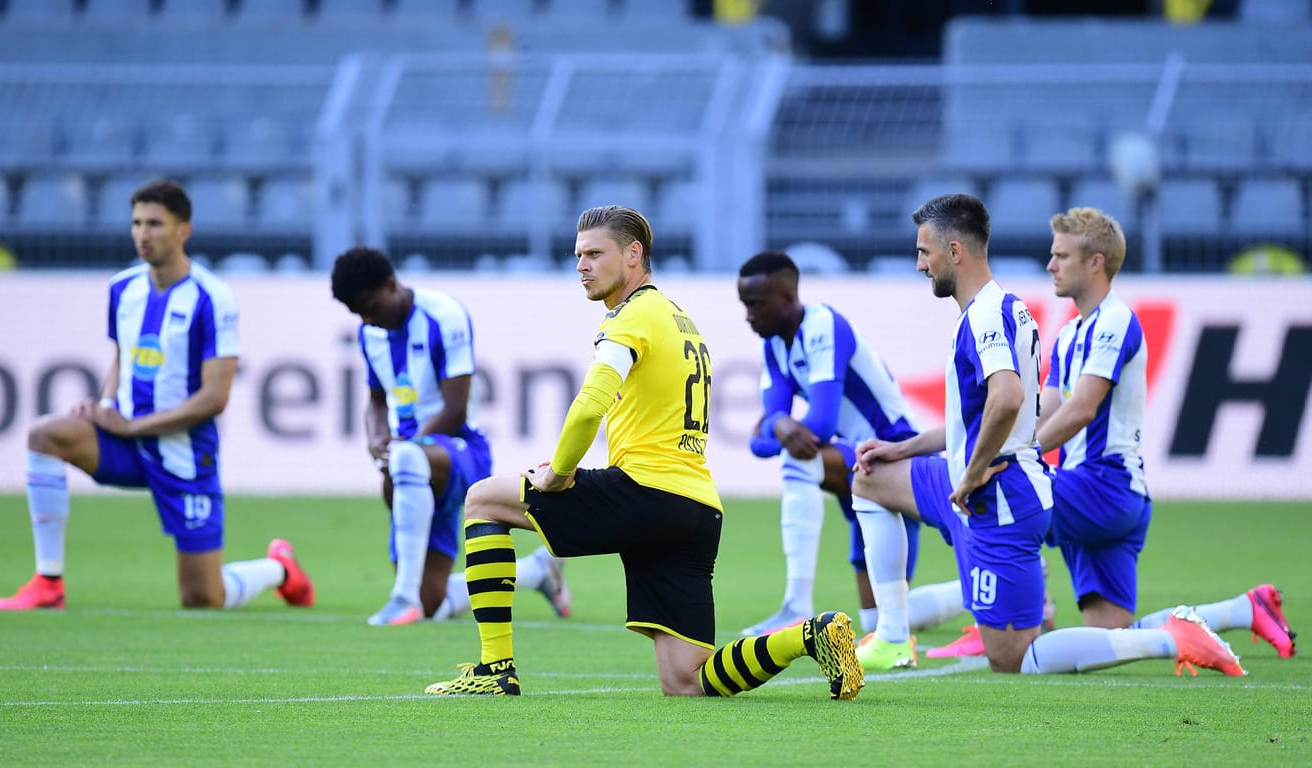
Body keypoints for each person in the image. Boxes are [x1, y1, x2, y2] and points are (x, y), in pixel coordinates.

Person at [424, 205, 862, 699]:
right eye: (577, 256)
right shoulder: (680, 320)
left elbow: (590, 406)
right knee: (686, 681)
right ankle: (809, 636)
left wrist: (559, 474)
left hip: (647, 493)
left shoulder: (631, 318)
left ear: (633, 255)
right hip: (695, 509)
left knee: (483, 499)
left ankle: (494, 668)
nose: (581, 266)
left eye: (594, 253)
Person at [851, 193, 1247, 677]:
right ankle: (892, 635)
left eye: (924, 253)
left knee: (1012, 660)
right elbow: (987, 417)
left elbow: (1009, 399)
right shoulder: (1005, 311)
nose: (919, 265)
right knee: (872, 475)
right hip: (985, 485)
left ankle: (1169, 639)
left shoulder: (987, 315)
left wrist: (973, 470)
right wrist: (904, 447)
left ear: (954, 252)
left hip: (1001, 495)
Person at [931, 206, 1296, 660]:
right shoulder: (1068, 335)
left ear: (1095, 262)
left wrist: (1006, 455)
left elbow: (1083, 409)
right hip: (1100, 495)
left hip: (1104, 486)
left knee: (999, 498)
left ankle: (995, 614)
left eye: (1062, 256)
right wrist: (1012, 443)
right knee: (1114, 636)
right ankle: (1242, 609)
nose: (1050, 265)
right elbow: (1045, 412)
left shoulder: (1116, 321)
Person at [0, 179, 313, 612]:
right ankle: (48, 582)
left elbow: (215, 397)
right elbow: (122, 358)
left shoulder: (212, 298)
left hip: (183, 452)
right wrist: (105, 405)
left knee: (202, 599)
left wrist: (134, 424)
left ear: (184, 231)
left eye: (156, 224)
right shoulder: (123, 288)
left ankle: (280, 569)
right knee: (46, 435)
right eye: (137, 223)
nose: (144, 234)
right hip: (124, 442)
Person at [736, 250, 963, 670]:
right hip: (854, 459)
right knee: (881, 621)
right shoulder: (774, 346)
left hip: (894, 454)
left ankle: (795, 605)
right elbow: (764, 441)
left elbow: (815, 426)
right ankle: (975, 593)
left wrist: (777, 425)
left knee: (800, 462)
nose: (748, 316)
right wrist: (780, 426)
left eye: (755, 304)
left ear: (787, 298)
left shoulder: (823, 325)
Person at [330, 246, 570, 626]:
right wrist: (375, 438)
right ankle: (538, 570)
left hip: (460, 452)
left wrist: (406, 449)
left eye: (371, 306)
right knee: (433, 605)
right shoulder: (370, 334)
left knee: (406, 461)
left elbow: (455, 408)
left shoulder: (444, 315)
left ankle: (401, 598)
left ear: (391, 285)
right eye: (358, 312)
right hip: (414, 471)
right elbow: (376, 400)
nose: (368, 319)